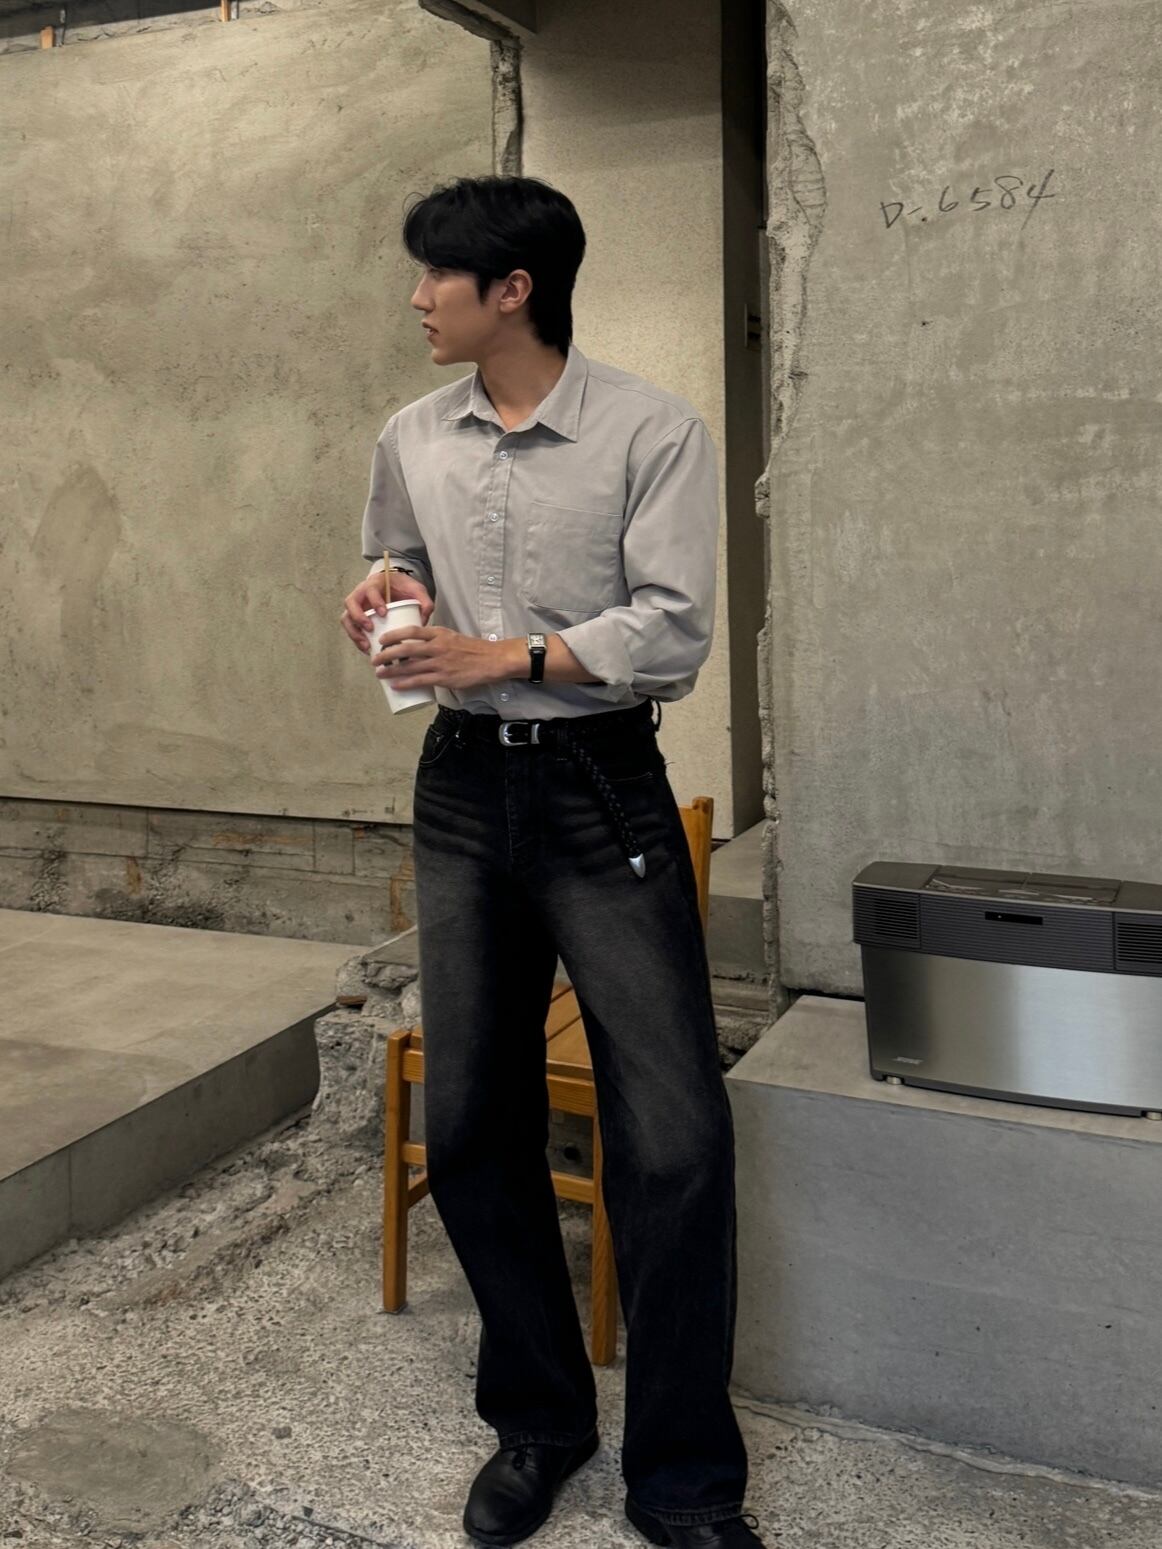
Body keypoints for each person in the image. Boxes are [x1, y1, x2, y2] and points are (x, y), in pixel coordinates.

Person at [340, 175, 763, 1549]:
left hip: (600, 790)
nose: (418, 298)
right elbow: (396, 562)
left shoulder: (651, 429)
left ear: (511, 289)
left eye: (436, 275)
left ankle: (684, 1478)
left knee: (676, 1137)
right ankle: (538, 1421)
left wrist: (508, 652)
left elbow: (675, 629)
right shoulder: (411, 435)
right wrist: (385, 602)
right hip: (463, 790)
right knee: (469, 1117)